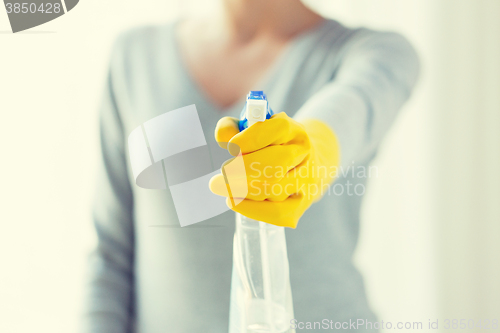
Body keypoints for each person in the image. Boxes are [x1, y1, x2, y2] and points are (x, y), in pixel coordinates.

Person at [82, 0, 419, 332]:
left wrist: (309, 152)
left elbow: (352, 110)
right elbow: (111, 254)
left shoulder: (373, 53)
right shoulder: (135, 58)